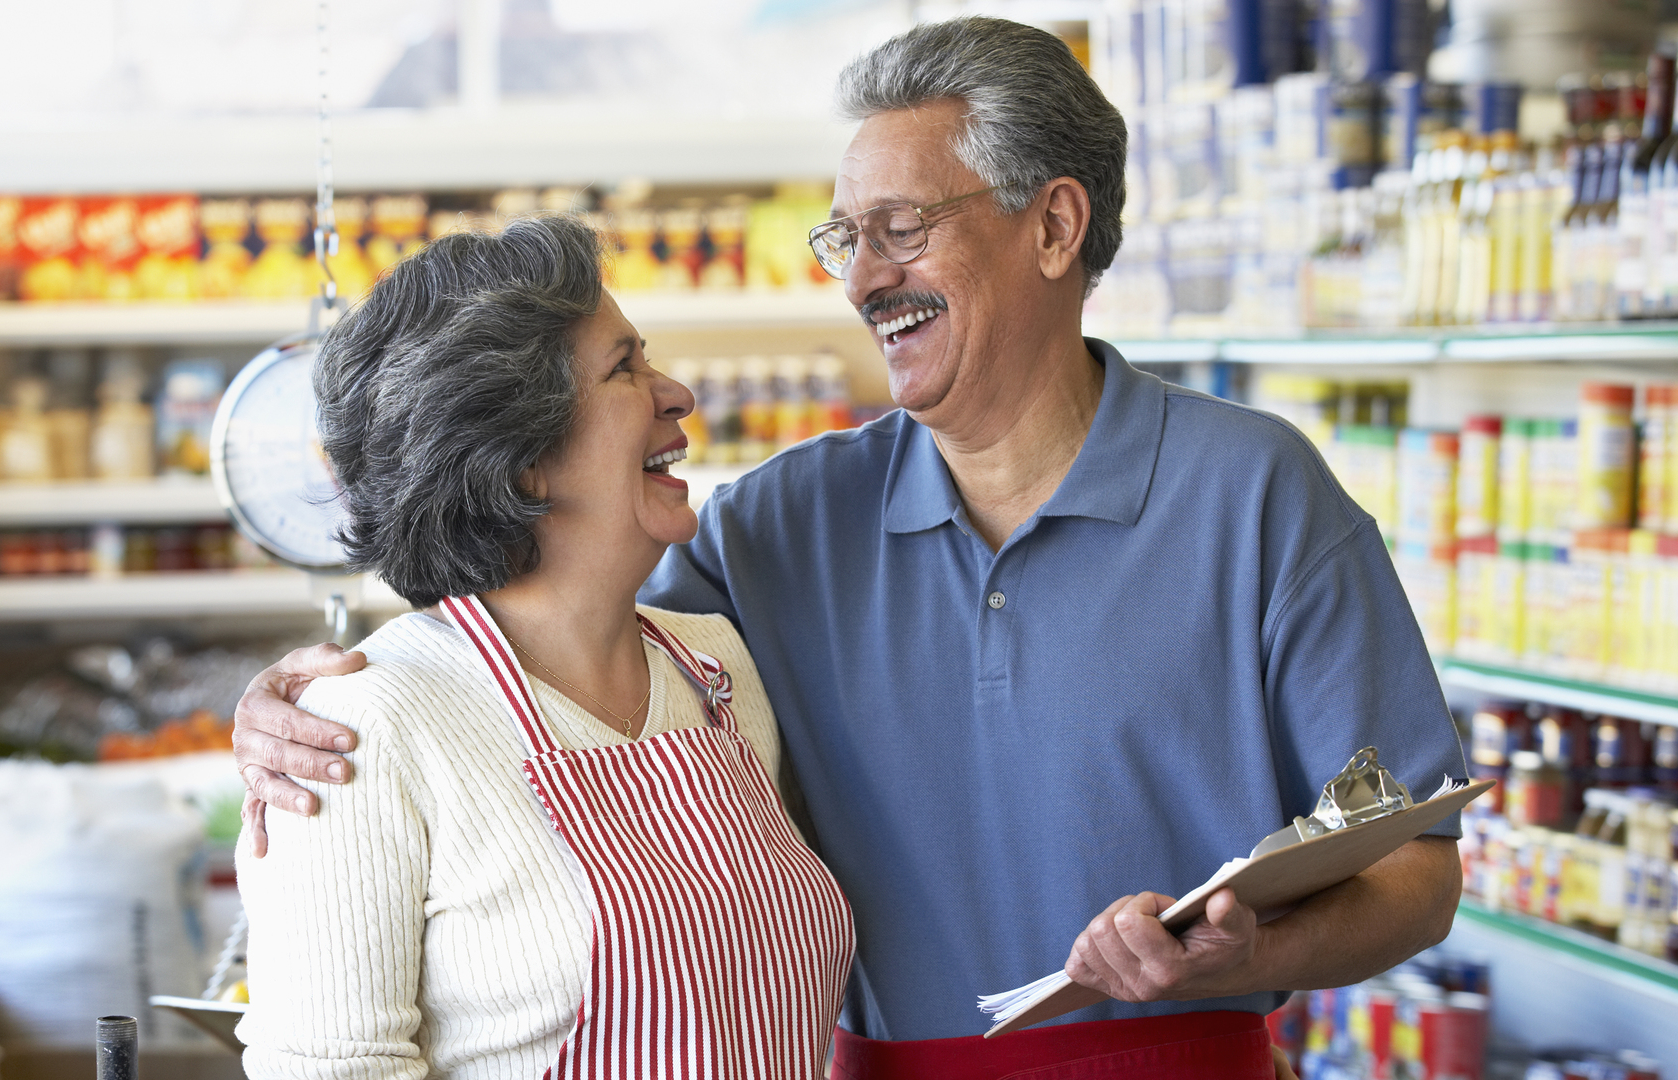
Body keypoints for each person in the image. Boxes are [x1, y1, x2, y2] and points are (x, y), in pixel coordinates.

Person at [232, 17, 1467, 1078]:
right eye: (846, 238)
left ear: (1054, 226)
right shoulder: (775, 529)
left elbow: (1418, 863)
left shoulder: (1254, 494)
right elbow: (531, 642)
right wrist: (306, 702)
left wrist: (1263, 951)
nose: (862, 279)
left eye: (901, 229)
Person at [233, 214, 855, 1079]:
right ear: (522, 460)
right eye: (625, 368)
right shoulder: (364, 728)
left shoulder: (718, 670)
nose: (676, 394)